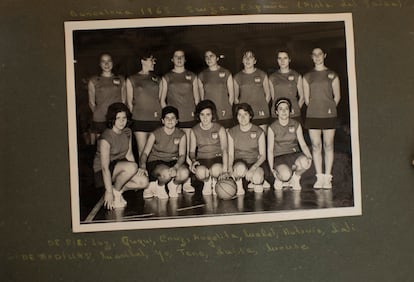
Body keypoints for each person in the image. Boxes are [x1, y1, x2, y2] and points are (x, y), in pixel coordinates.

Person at [93, 103, 149, 210]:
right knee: (131, 167)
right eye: (118, 118)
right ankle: (115, 193)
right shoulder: (105, 138)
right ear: (112, 119)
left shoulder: (127, 132)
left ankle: (117, 189)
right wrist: (109, 192)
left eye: (124, 118)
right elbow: (105, 168)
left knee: (143, 182)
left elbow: (129, 154)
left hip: (121, 167)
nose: (121, 121)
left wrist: (136, 170)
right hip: (103, 172)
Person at [303, 47, 341, 189]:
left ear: (324, 55)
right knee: (316, 146)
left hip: (329, 114)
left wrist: (328, 109)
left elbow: (337, 97)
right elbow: (307, 100)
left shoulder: (332, 74)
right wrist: (316, 109)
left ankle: (328, 177)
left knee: (328, 145)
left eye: (320, 54)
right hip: (313, 115)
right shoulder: (307, 76)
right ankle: (319, 177)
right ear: (311, 57)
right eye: (314, 55)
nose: (317, 57)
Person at [139, 106, 192, 199]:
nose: (170, 120)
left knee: (184, 173)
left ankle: (173, 185)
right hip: (156, 161)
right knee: (166, 173)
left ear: (177, 121)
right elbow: (145, 153)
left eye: (173, 118)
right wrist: (143, 166)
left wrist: (175, 167)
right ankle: (159, 186)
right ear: (162, 120)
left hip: (172, 161)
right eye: (167, 118)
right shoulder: (155, 134)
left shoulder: (181, 134)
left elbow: (182, 155)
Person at [267, 98, 312, 190]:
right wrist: (271, 168)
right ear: (276, 112)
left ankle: (295, 178)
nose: (284, 111)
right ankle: (280, 179)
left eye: (286, 109)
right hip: (279, 157)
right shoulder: (272, 127)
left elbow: (303, 144)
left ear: (290, 111)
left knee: (306, 162)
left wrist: (309, 156)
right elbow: (270, 150)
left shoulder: (296, 125)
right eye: (280, 109)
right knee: (285, 175)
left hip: (293, 154)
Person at [228, 103, 271, 194]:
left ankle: (256, 181)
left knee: (257, 178)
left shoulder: (259, 131)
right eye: (240, 115)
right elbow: (231, 154)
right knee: (240, 169)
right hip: (239, 163)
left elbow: (263, 156)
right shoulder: (232, 132)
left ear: (250, 116)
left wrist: (252, 169)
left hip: (255, 162)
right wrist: (229, 168)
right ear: (236, 117)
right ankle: (239, 184)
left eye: (245, 114)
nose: (242, 118)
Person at [189, 100, 229, 195]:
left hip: (217, 157)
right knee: (201, 172)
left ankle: (215, 181)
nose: (205, 118)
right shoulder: (194, 130)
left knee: (216, 169)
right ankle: (207, 182)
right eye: (202, 115)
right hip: (202, 159)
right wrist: (193, 160)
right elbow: (191, 151)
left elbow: (224, 149)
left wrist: (225, 169)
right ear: (198, 115)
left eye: (208, 114)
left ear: (212, 115)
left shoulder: (220, 128)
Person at [126, 52, 162, 156]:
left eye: (154, 60)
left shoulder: (157, 79)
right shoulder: (132, 79)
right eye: (151, 60)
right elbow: (129, 103)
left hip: (155, 119)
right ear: (143, 61)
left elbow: (160, 99)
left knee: (154, 152)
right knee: (142, 151)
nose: (154, 63)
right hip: (139, 120)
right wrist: (136, 116)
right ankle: (142, 172)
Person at [88, 53, 126, 145]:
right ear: (100, 64)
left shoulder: (121, 79)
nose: (106, 64)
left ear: (112, 63)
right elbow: (91, 102)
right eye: (103, 61)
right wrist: (100, 113)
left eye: (109, 61)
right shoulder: (94, 80)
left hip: (116, 118)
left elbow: (124, 100)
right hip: (100, 119)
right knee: (101, 146)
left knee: (116, 144)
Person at [233, 51, 271, 130]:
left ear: (255, 61)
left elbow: (268, 95)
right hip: (245, 114)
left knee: (262, 138)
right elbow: (235, 98)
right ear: (242, 60)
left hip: (261, 112)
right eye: (245, 57)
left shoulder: (262, 74)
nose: (247, 60)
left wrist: (261, 106)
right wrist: (243, 111)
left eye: (250, 57)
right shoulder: (237, 77)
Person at [197, 49, 234, 128]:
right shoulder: (201, 75)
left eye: (211, 56)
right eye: (206, 57)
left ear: (217, 58)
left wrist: (227, 108)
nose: (208, 59)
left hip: (224, 113)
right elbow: (202, 98)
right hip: (210, 114)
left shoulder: (226, 73)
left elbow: (231, 96)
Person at [268, 50, 304, 123]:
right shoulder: (272, 77)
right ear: (277, 60)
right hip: (277, 114)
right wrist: (280, 111)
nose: (282, 61)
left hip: (293, 114)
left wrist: (293, 109)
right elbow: (273, 97)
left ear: (289, 59)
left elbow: (302, 97)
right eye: (280, 58)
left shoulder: (297, 76)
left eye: (285, 58)